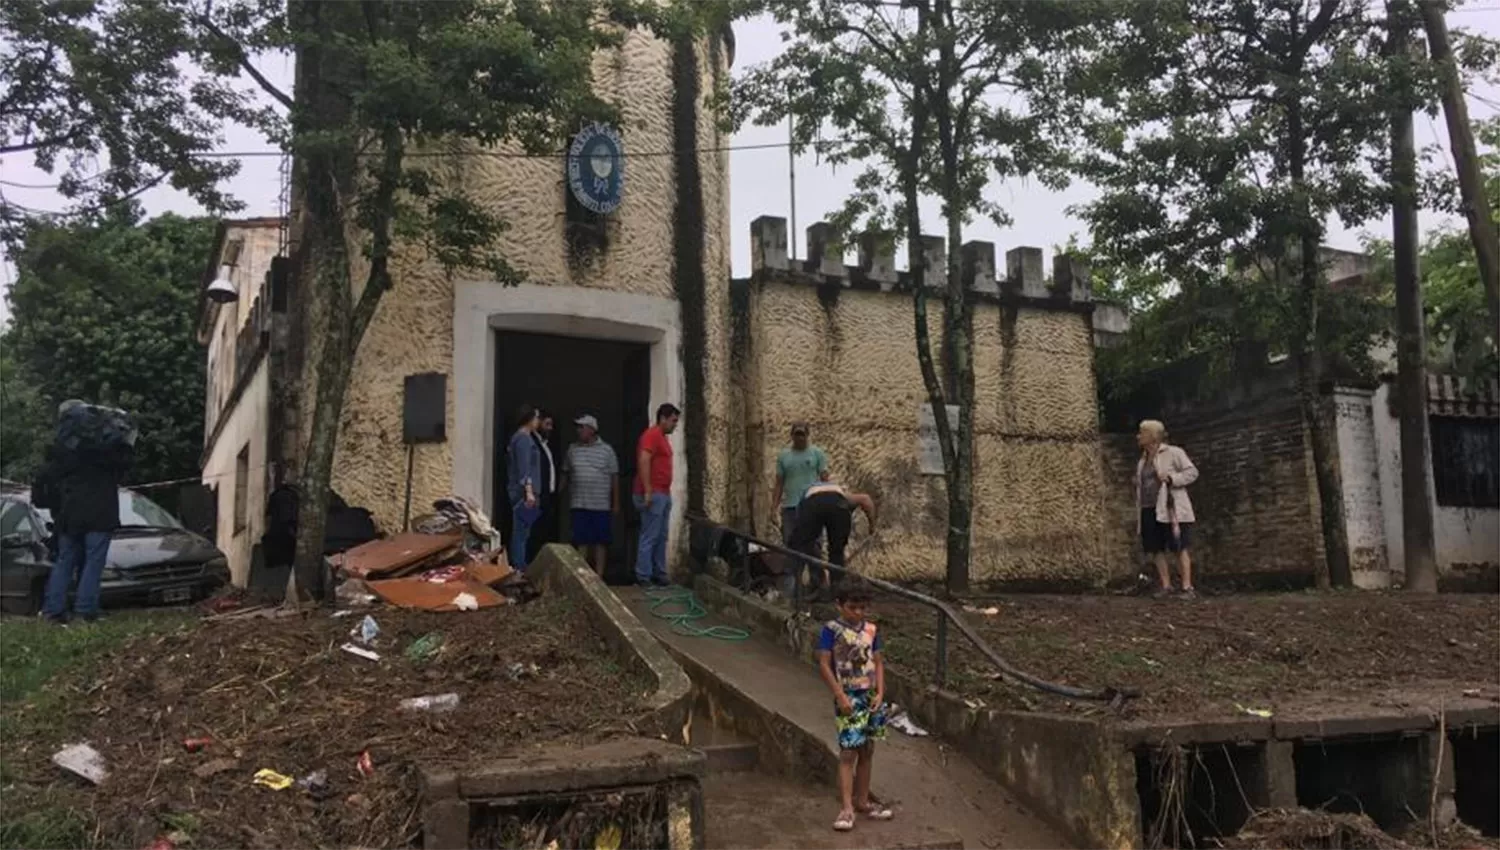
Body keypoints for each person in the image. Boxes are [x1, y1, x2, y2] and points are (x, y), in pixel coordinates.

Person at [33, 401, 134, 625]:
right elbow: (124, 465)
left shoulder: (64, 447)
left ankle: (53, 611)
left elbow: (49, 478)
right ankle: (85, 610)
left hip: (69, 514)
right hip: (100, 512)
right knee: (93, 562)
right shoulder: (105, 447)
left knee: (65, 561)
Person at [816, 579, 893, 832]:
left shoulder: (872, 630)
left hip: (869, 695)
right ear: (840, 606)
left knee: (867, 748)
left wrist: (880, 692)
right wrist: (840, 695)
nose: (857, 613)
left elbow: (878, 662)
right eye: (852, 607)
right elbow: (825, 664)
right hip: (848, 694)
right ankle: (846, 806)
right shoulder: (831, 630)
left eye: (862, 608)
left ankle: (862, 800)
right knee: (848, 751)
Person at [1136, 419, 1199, 599]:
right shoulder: (1142, 461)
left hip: (1170, 508)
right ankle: (1166, 586)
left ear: (1152, 436)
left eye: (1142, 433)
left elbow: (1192, 472)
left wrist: (1172, 478)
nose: (1138, 436)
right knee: (1155, 548)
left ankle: (1187, 587)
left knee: (1179, 546)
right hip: (1148, 508)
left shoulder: (1173, 453)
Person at [786, 478, 876, 600]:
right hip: (838, 507)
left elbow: (801, 529)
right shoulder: (841, 494)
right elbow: (866, 499)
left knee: (800, 546)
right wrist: (872, 526)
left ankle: (810, 586)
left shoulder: (806, 496)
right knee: (837, 552)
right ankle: (836, 592)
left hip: (813, 505)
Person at [773, 422, 830, 598]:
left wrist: (825, 503)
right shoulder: (784, 456)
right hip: (790, 507)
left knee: (813, 546)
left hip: (812, 507)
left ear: (807, 435)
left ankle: (818, 586)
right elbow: (779, 483)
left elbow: (824, 479)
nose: (800, 438)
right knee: (791, 545)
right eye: (796, 434)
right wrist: (773, 507)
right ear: (792, 436)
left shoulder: (816, 454)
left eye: (802, 434)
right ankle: (793, 588)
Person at [563, 414, 620, 578]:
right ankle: (583, 577)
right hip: (579, 503)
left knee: (601, 542)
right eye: (578, 427)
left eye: (582, 427)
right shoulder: (572, 449)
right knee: (581, 541)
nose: (578, 430)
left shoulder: (607, 450)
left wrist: (615, 503)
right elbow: (565, 473)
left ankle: (599, 576)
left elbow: (614, 477)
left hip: (600, 504)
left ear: (592, 430)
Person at [633, 403, 680, 588]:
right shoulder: (651, 435)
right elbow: (644, 460)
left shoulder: (661, 438)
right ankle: (643, 575)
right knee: (650, 534)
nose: (675, 425)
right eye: (673, 421)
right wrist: (648, 489)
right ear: (663, 418)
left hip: (663, 492)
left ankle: (659, 573)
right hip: (654, 492)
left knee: (661, 535)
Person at [506, 404, 542, 569]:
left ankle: (520, 564)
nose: (537, 421)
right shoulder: (523, 439)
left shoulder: (525, 438)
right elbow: (524, 467)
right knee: (521, 532)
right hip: (524, 493)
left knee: (525, 531)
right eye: (536, 418)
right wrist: (529, 491)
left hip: (526, 491)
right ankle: (519, 566)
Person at [527, 410, 559, 564]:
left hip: (547, 496)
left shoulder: (546, 445)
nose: (550, 428)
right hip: (536, 495)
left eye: (551, 425)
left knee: (545, 532)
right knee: (534, 533)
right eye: (547, 424)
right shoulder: (531, 443)